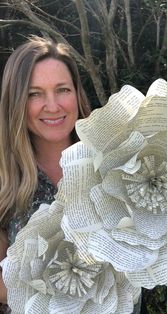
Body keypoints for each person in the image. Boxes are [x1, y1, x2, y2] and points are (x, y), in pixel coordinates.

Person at [0, 35, 91, 310]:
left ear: (77, 93)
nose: (53, 106)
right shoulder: (5, 181)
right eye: (34, 93)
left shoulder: (111, 163)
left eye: (62, 89)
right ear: (16, 103)